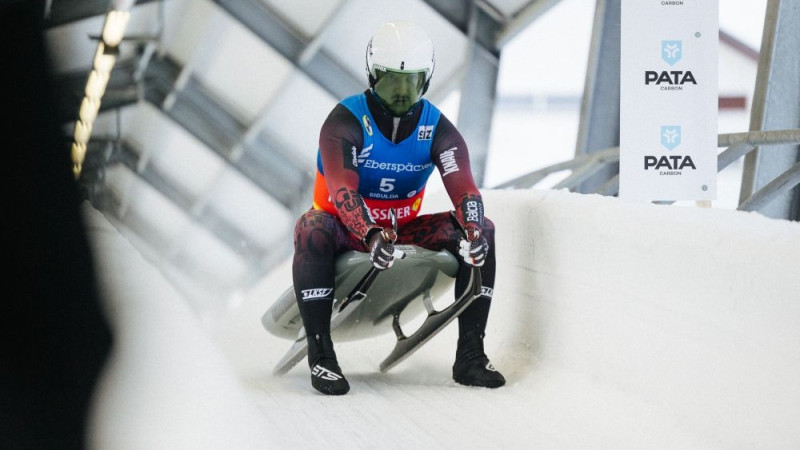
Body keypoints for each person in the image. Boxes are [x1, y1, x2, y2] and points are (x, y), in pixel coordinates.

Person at [291, 20, 505, 395]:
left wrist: (472, 232)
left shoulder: (437, 129)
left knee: (484, 228)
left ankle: (471, 355)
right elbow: (342, 190)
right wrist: (370, 233)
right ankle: (321, 354)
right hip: (344, 230)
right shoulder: (344, 121)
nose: (403, 93)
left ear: (427, 79)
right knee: (311, 227)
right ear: (373, 76)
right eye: (392, 81)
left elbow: (464, 189)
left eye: (413, 82)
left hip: (399, 231)